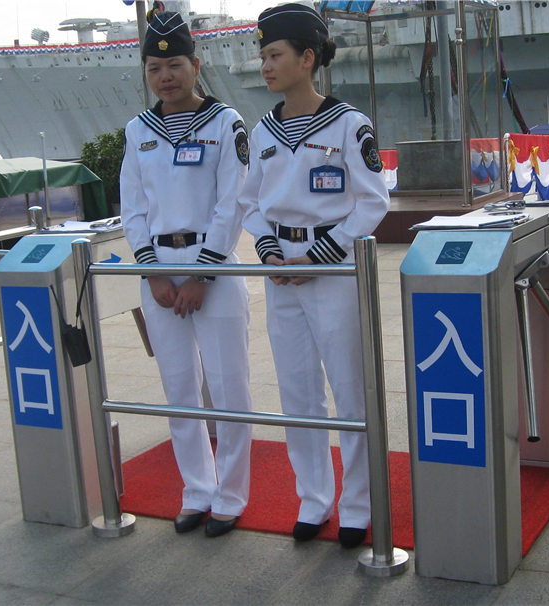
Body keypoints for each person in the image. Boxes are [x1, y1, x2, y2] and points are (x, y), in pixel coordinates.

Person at [239, 3, 390, 549]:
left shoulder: (350, 124)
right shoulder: (262, 132)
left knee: (349, 391)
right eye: (263, 56)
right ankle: (313, 499)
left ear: (307, 58)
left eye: (275, 54)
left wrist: (321, 254)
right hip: (283, 274)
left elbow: (373, 201)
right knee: (298, 393)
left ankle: (357, 507)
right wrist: (271, 251)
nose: (266, 65)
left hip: (333, 274)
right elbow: (251, 202)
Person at [119, 10, 253, 538]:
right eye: (155, 67)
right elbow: (132, 207)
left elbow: (232, 203)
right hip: (158, 273)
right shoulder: (137, 131)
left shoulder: (226, 124)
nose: (165, 75)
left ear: (196, 66)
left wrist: (202, 275)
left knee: (229, 387)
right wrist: (152, 273)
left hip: (211, 268)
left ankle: (232, 495)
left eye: (175, 64)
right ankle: (196, 490)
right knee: (179, 390)